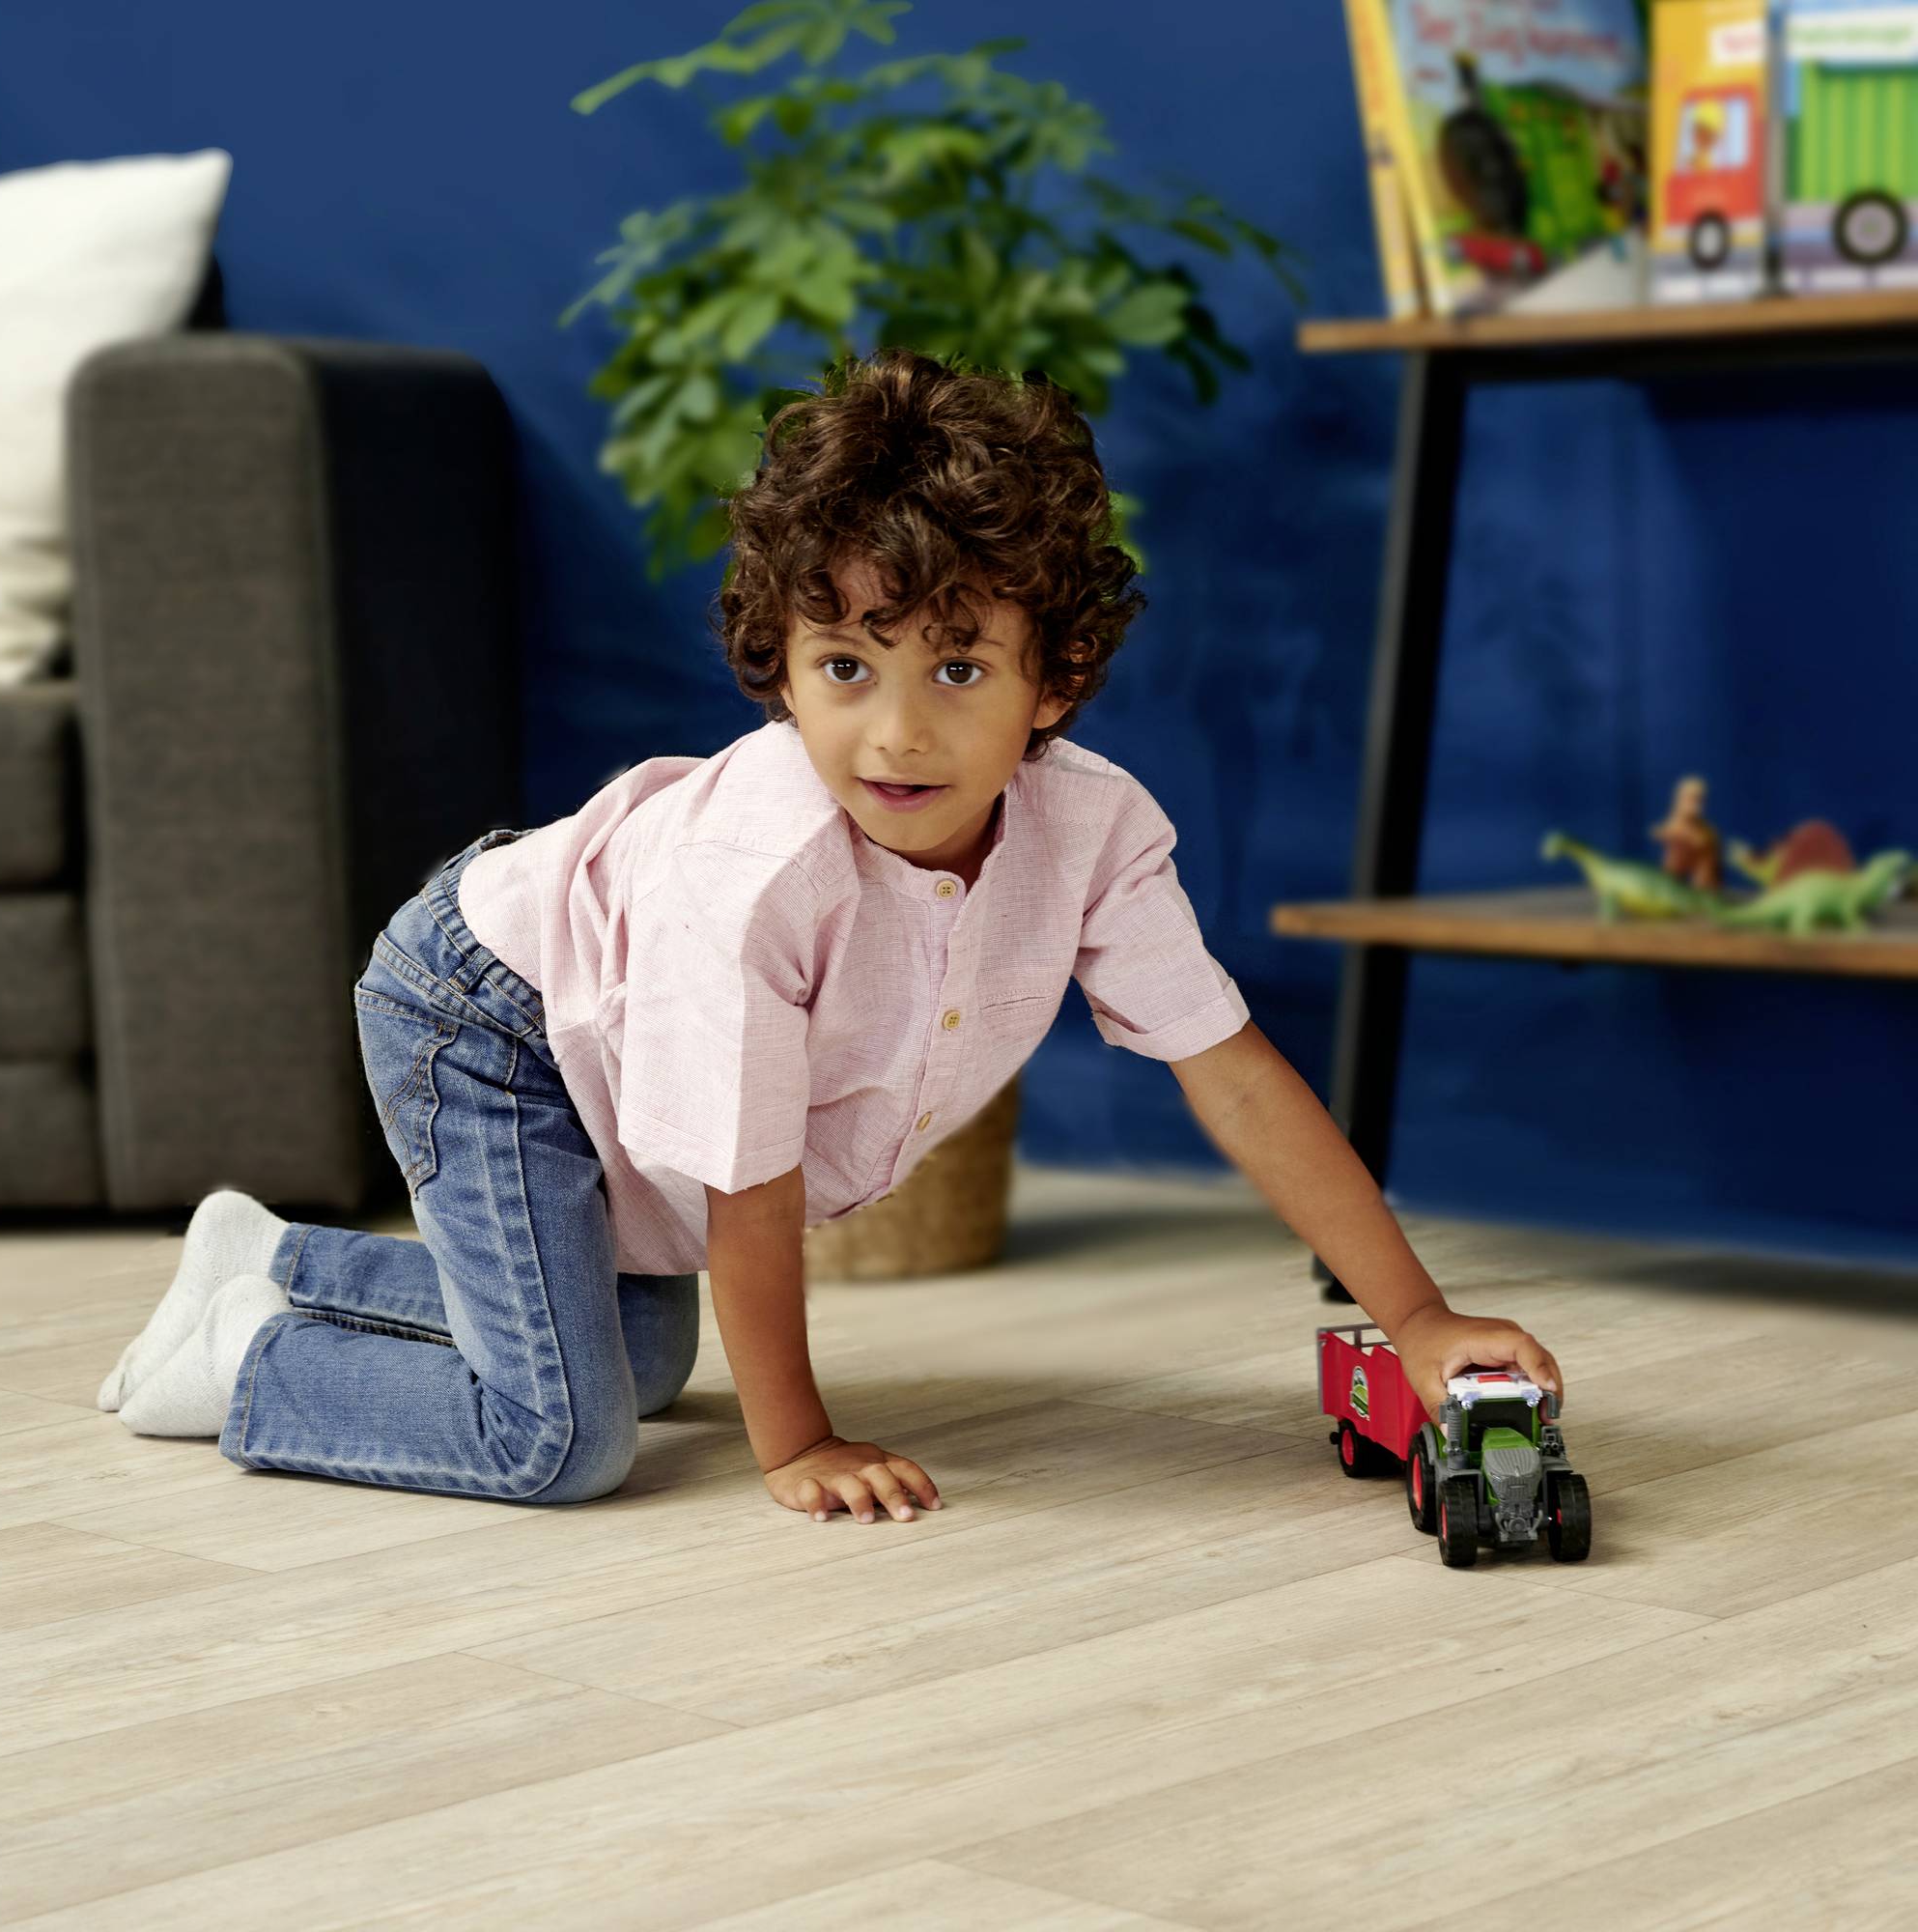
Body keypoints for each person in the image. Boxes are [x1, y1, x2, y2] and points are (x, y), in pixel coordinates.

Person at [98, 346, 1563, 1520]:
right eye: (846, 665)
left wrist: (1417, 1318)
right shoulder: (759, 876)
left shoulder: (1096, 831)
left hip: (593, 1007)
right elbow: (750, 1185)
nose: (898, 731)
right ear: (783, 669)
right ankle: (243, 1358)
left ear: (1052, 682)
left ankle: (271, 1259)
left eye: (961, 666)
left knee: (654, 1353)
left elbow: (1232, 1073)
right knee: (559, 1436)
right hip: (490, 1015)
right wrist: (796, 1442)